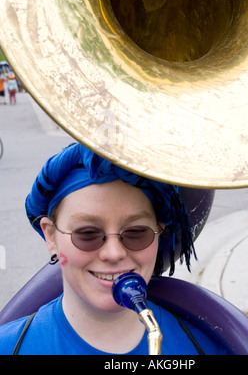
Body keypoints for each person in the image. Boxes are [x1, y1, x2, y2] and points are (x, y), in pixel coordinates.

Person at [0, 143, 227, 355]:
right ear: (51, 235)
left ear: (158, 233)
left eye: (137, 232)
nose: (114, 253)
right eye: (88, 234)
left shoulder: (204, 347)